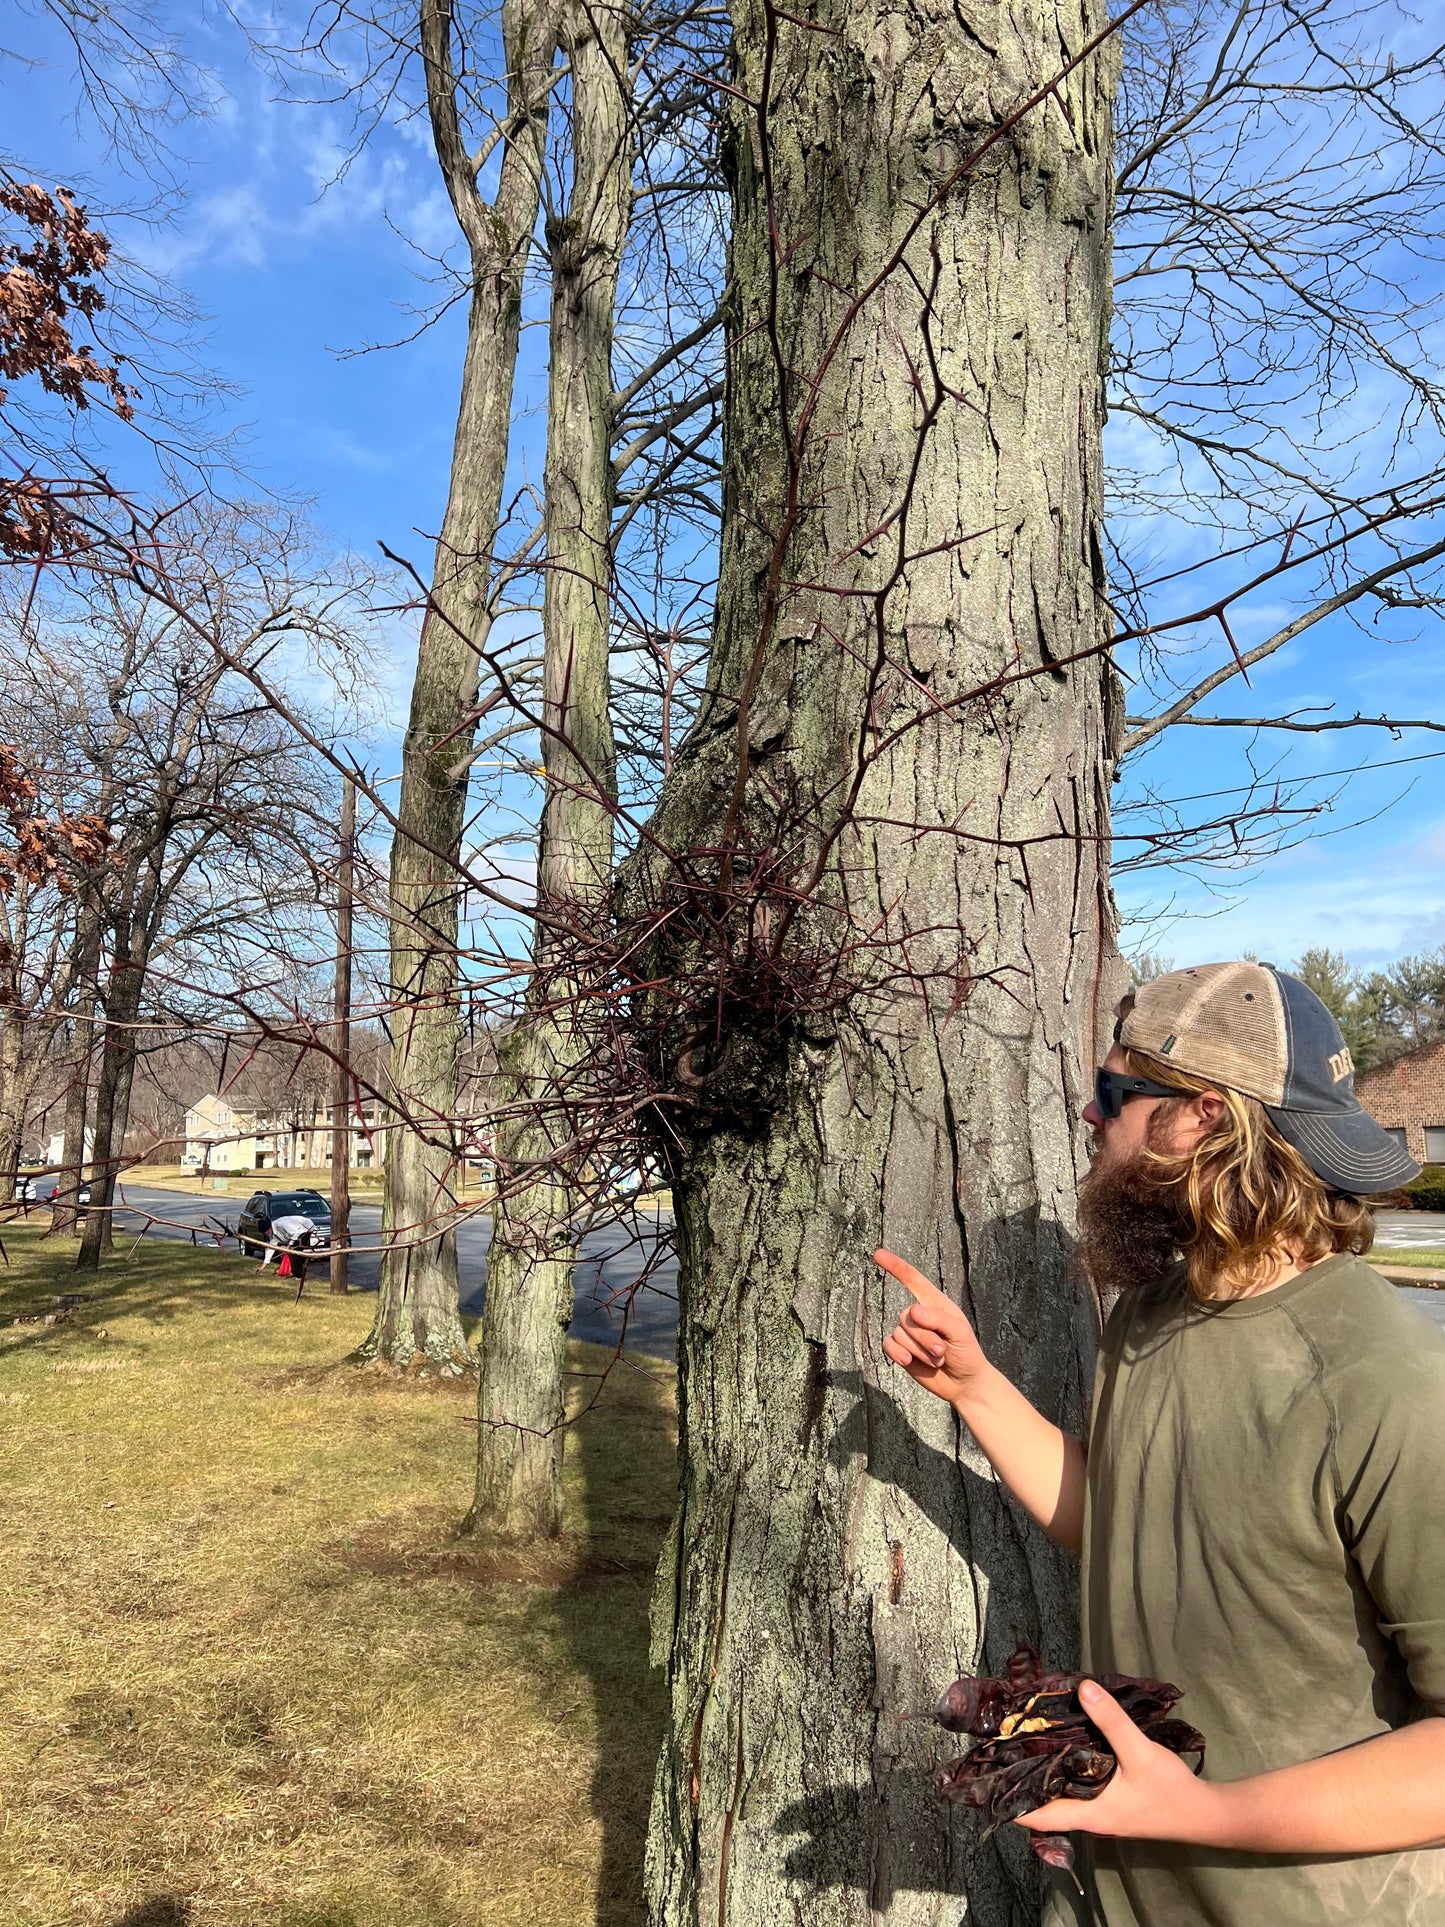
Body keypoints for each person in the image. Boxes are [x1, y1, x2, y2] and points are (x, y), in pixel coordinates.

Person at [878, 959, 1445, 1926]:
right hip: (1114, 1897)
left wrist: (1207, 1811)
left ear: (1203, 1121)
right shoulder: (1152, 1305)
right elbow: (1126, 1521)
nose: (1089, 1117)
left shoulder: (1380, 1379)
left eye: (1113, 1091)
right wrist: (974, 1388)